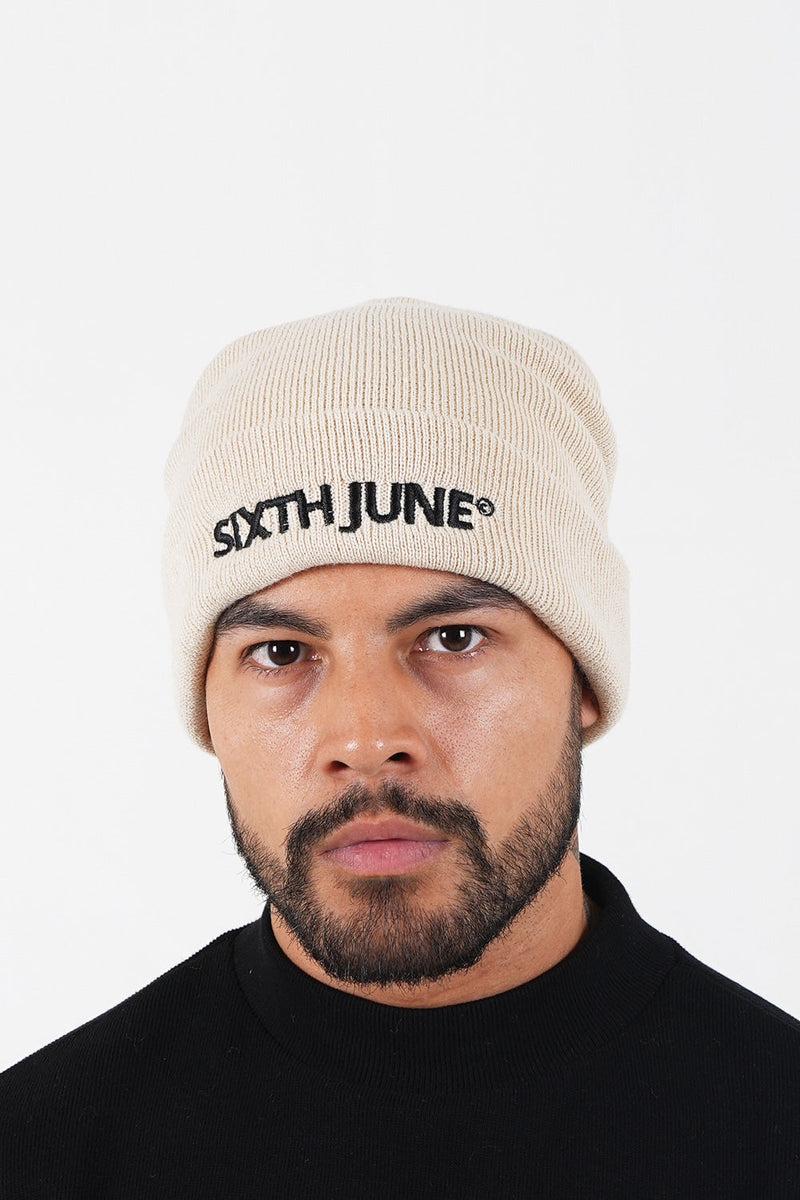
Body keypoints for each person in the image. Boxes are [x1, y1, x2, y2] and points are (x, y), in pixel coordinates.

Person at [1, 298, 798, 1198]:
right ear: (208, 708)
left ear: (583, 681)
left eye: (453, 638)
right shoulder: (38, 1153)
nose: (367, 739)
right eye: (281, 653)